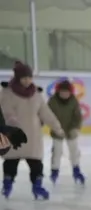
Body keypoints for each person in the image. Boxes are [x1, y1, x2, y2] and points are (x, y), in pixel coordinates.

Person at [1, 61, 65, 200]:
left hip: (33, 135)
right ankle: (7, 183)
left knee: (36, 164)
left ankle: (37, 185)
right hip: (14, 135)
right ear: (18, 78)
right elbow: (5, 110)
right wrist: (10, 120)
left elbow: (46, 113)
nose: (27, 80)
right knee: (11, 162)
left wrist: (57, 127)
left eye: (29, 77)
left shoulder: (36, 94)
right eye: (24, 77)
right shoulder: (7, 93)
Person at [46, 79, 85, 185]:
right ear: (58, 91)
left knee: (74, 150)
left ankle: (76, 170)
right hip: (57, 130)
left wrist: (75, 128)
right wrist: (55, 128)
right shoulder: (52, 101)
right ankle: (54, 171)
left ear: (70, 92)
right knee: (57, 151)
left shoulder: (73, 101)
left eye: (66, 92)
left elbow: (78, 117)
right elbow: (48, 115)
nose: (64, 94)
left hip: (70, 129)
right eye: (62, 92)